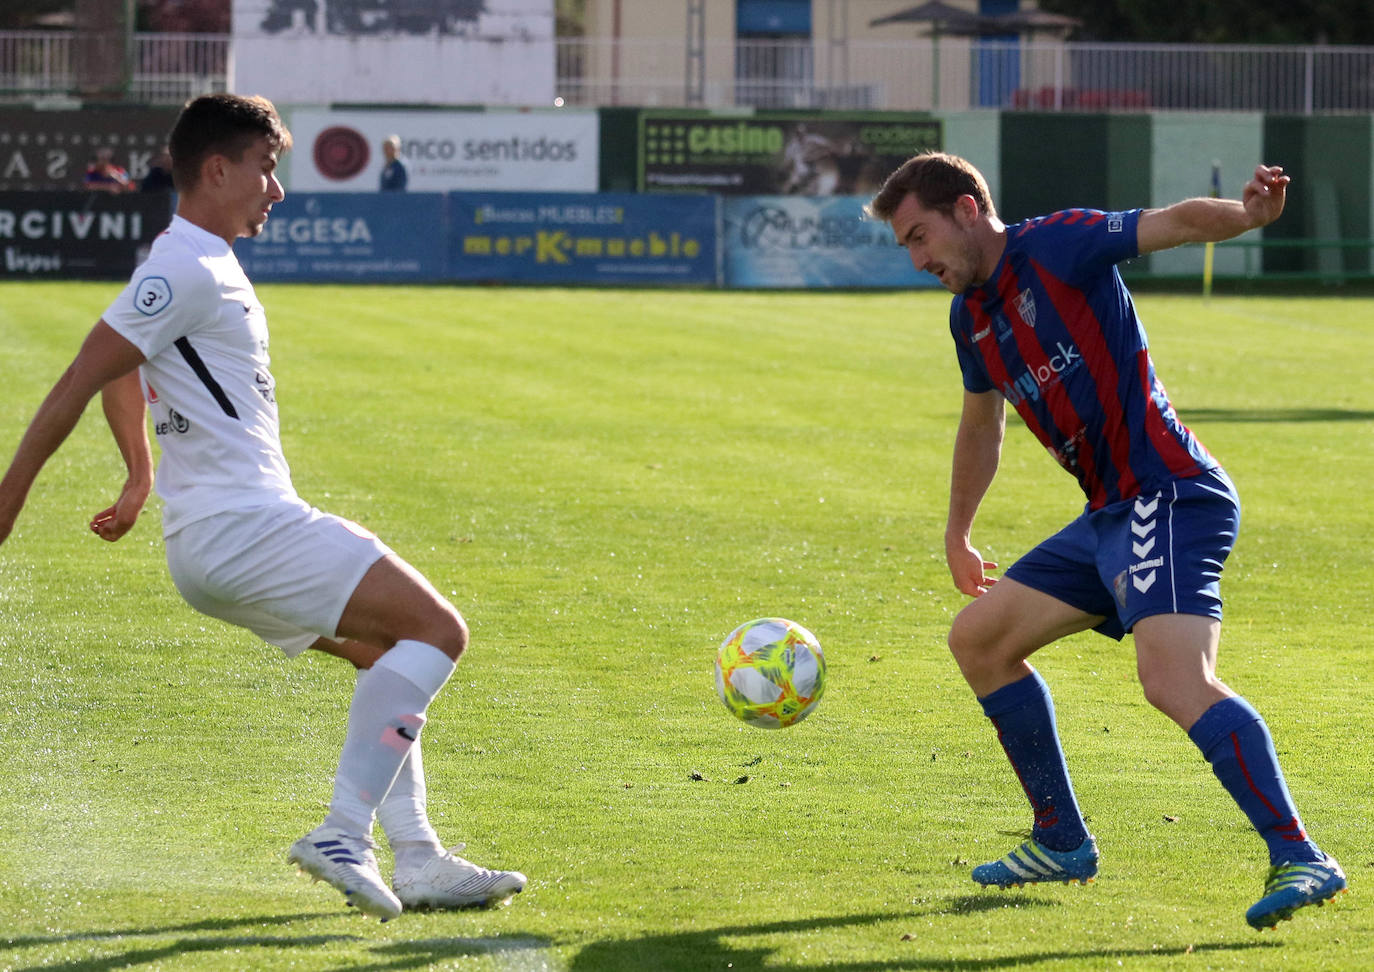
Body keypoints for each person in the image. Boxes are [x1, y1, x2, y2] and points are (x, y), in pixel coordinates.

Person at [0, 94, 525, 920]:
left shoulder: (196, 263)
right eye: (266, 167)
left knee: (380, 654)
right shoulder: (184, 266)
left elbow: (124, 374)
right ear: (217, 169)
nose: (275, 189)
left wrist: (140, 476)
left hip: (211, 543)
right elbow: (81, 373)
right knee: (438, 632)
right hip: (241, 529)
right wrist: (8, 501)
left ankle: (418, 857)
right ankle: (343, 833)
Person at [865, 152, 1346, 930]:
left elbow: (1175, 223)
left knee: (1172, 679)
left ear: (963, 209)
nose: (919, 261)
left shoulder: (1057, 245)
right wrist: (958, 531)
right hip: (1110, 515)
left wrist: (1249, 218)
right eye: (906, 248)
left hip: (1171, 492)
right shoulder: (971, 321)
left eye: (921, 237)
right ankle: (1060, 840)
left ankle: (1300, 854)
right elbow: (979, 427)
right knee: (980, 640)